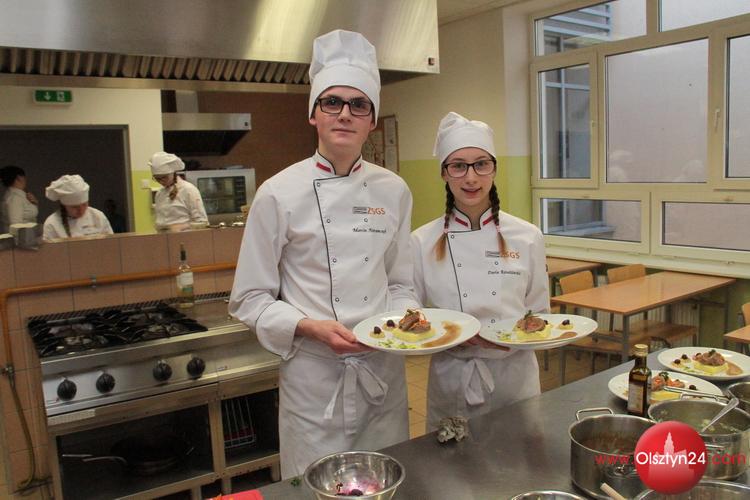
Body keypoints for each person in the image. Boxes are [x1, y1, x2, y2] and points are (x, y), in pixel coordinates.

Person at [229, 30, 419, 478]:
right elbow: (249, 299)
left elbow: (401, 284)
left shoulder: (394, 190)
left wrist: (401, 323)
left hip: (382, 374)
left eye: (359, 105)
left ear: (372, 120)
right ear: (313, 114)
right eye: (332, 102)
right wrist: (308, 327)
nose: (345, 114)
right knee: (314, 486)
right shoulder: (277, 193)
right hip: (314, 384)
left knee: (386, 481)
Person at [411, 112, 550, 430]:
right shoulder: (421, 241)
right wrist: (447, 337)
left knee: (517, 456)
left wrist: (513, 340)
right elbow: (412, 314)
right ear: (444, 173)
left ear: (494, 169)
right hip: (452, 376)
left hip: (514, 378)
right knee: (451, 458)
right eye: (458, 166)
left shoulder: (527, 236)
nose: (471, 177)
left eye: (481, 164)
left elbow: (540, 314)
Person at [149, 152, 208, 231]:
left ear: (173, 173)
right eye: (157, 178)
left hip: (185, 237)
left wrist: (182, 226)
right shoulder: (160, 193)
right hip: (164, 237)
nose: (161, 181)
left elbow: (203, 222)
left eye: (164, 177)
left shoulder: (189, 190)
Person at [43, 174, 113, 240]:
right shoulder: (52, 224)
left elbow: (111, 243)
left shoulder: (98, 217)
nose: (81, 210)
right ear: (64, 205)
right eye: (75, 207)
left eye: (84, 205)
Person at [1, 165, 38, 233]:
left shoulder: (18, 195)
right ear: (19, 178)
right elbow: (16, 225)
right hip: (23, 238)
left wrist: (34, 203)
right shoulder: (15, 197)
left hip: (28, 236)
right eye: (24, 177)